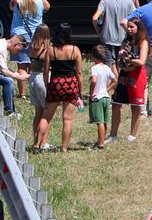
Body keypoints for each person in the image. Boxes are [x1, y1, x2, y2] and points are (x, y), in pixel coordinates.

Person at [34, 23, 82, 152]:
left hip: (56, 83)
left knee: (46, 117)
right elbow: (79, 72)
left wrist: (47, 84)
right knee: (67, 119)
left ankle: (37, 144)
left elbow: (45, 71)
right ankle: (64, 147)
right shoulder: (75, 50)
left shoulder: (51, 50)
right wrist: (80, 90)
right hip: (71, 83)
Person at [110, 18, 148, 142]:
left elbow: (141, 61)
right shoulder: (125, 41)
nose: (129, 29)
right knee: (116, 105)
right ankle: (113, 135)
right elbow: (119, 60)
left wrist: (129, 60)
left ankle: (132, 135)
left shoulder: (143, 42)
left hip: (137, 76)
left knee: (135, 106)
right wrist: (123, 63)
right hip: (124, 75)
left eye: (132, 27)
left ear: (139, 28)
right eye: (128, 27)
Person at [9, 0, 48, 98]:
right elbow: (48, 6)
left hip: (19, 37)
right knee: (33, 66)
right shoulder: (39, 3)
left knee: (21, 65)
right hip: (35, 37)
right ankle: (33, 93)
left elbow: (12, 2)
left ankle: (22, 94)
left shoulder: (19, 2)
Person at [92, 0, 136, 64]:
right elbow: (136, 18)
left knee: (107, 63)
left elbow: (95, 18)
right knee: (121, 63)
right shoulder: (129, 1)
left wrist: (98, 29)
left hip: (107, 37)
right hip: (123, 37)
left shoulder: (104, 1)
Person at [25, 24, 52, 142]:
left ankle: (35, 138)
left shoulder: (31, 47)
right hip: (41, 77)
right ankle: (42, 142)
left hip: (32, 77)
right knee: (46, 114)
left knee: (38, 113)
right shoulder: (46, 49)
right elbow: (47, 68)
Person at [87, 45, 115, 150]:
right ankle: (102, 139)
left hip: (97, 98)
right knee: (104, 121)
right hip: (105, 97)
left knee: (99, 122)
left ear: (94, 57)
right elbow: (114, 80)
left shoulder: (94, 68)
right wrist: (107, 89)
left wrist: (92, 92)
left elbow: (94, 80)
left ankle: (101, 143)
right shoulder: (107, 67)